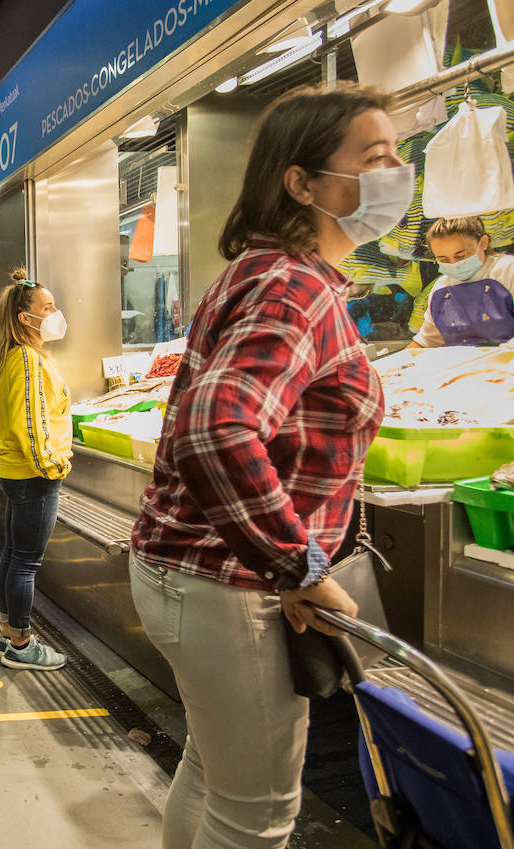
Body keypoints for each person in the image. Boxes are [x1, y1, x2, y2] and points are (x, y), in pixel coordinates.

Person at [130, 84, 395, 849]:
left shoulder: (270, 271)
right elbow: (217, 431)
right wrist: (300, 566)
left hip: (192, 569)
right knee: (257, 815)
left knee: (213, 775)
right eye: (373, 159)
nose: (393, 175)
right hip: (227, 581)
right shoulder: (295, 284)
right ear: (301, 181)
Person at [0, 269, 72, 672]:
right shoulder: (27, 359)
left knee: (14, 555)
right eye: (49, 308)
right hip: (33, 475)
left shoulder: (18, 355)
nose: (56, 315)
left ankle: (7, 636)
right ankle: (22, 643)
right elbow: (32, 425)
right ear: (26, 317)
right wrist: (51, 468)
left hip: (18, 472)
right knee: (26, 562)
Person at [409, 216, 514, 348]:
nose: (454, 264)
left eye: (461, 256)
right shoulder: (441, 288)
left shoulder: (508, 270)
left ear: (483, 243)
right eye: (443, 259)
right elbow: (426, 342)